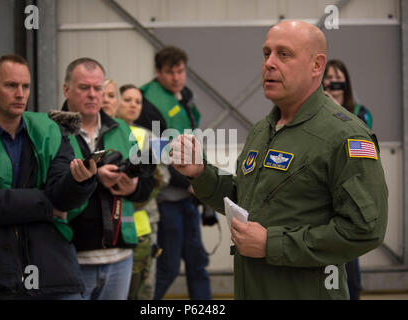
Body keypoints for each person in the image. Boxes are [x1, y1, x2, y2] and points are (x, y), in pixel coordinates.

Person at [171, 20, 388, 299]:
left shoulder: (345, 136)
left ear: (316, 65)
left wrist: (272, 245)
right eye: (266, 53)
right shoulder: (263, 130)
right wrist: (201, 173)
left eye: (284, 54)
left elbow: (365, 230)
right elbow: (245, 199)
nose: (269, 63)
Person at [0, 54, 98, 300]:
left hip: (56, 274)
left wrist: (81, 183)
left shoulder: (51, 130)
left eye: (25, 86)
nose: (20, 94)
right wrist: (48, 206)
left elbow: (63, 197)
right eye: (11, 85)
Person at [61, 58, 155, 300]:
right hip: (71, 255)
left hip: (121, 256)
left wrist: (132, 186)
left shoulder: (122, 130)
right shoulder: (52, 130)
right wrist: (94, 179)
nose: (93, 95)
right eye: (84, 88)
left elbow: (148, 185)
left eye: (98, 88)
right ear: (66, 89)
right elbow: (49, 188)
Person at [135, 46, 212, 300]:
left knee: (198, 263)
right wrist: (190, 180)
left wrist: (201, 177)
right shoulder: (147, 105)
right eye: (170, 72)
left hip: (188, 197)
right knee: (167, 267)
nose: (177, 77)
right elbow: (157, 155)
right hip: (167, 199)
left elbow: (194, 139)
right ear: (158, 72)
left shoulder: (185, 95)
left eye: (181, 71)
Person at [323, 59, 372, 300]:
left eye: (338, 78)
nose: (333, 83)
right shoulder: (316, 111)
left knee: (349, 257)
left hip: (351, 193)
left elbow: (364, 145)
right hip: (323, 195)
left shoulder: (360, 112)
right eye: (328, 78)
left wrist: (336, 111)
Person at [116, 84, 169, 299]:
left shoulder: (152, 137)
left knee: (146, 284)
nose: (133, 105)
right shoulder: (109, 132)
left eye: (138, 102)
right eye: (127, 100)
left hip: (146, 217)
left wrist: (142, 190)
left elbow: (164, 176)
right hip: (116, 219)